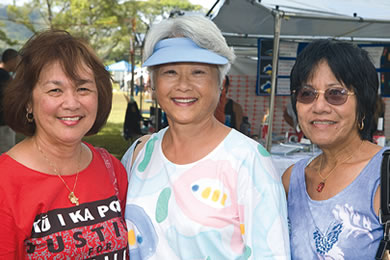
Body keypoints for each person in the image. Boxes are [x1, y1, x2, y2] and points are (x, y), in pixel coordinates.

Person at [121, 15, 290, 259]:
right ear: (153, 83)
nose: (183, 85)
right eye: (170, 72)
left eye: (198, 72)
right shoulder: (139, 154)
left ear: (221, 84)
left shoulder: (248, 161)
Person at [0, 30, 129, 259]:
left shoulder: (112, 168)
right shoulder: (5, 181)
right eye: (55, 90)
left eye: (83, 89)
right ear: (28, 102)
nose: (71, 103)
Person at [282, 39, 385, 259]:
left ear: (363, 105)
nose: (319, 107)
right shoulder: (292, 180)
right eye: (307, 94)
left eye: (336, 94)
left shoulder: (382, 175)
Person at [0, 48, 20, 153]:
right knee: (5, 154)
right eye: (17, 61)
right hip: (3, 124)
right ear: (11, 60)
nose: (17, 65)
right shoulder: (4, 76)